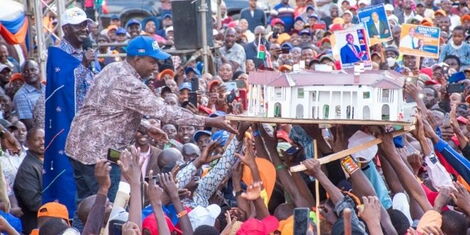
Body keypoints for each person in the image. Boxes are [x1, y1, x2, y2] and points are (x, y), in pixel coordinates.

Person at [65, 36, 236, 203]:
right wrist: (209, 121)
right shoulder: (130, 82)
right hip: (99, 153)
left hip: (81, 145)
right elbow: (165, 112)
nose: (156, 67)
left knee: (85, 205)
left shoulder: (114, 68)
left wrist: (144, 126)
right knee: (104, 208)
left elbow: (111, 110)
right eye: (152, 62)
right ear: (137, 59)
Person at [43, 6, 96, 217]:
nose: (84, 29)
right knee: (71, 181)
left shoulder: (88, 53)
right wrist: (83, 65)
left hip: (90, 132)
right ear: (65, 28)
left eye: (85, 24)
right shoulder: (58, 55)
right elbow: (64, 90)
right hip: (69, 129)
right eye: (78, 26)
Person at [13, 128, 44, 234]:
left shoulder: (47, 162)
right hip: (36, 224)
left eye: (44, 138)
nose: (42, 142)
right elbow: (34, 203)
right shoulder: (27, 168)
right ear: (28, 143)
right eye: (37, 139)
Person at [13, 60, 44, 129]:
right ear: (22, 75)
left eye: (33, 70)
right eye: (26, 72)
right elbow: (29, 125)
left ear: (40, 70)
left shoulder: (47, 89)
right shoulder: (20, 96)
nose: (30, 73)